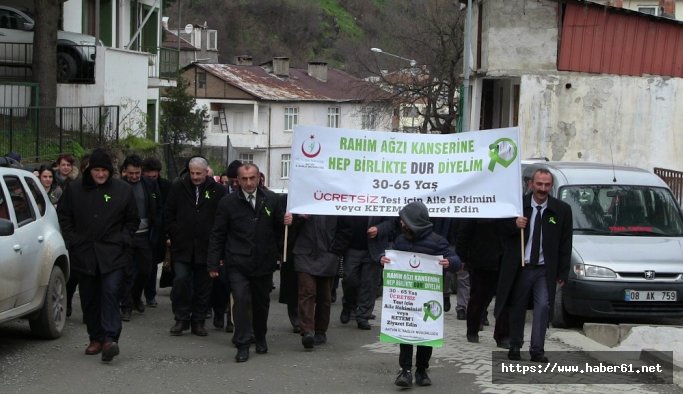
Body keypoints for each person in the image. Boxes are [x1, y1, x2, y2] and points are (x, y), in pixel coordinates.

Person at [57, 148, 139, 363]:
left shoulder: (122, 190)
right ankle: (95, 338)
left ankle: (110, 339)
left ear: (110, 171)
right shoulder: (74, 190)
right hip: (84, 253)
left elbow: (132, 220)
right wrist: (72, 240)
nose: (100, 174)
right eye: (96, 170)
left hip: (113, 253)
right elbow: (64, 216)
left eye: (104, 170)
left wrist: (124, 239)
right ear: (89, 170)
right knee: (89, 297)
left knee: (111, 293)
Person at [206, 163, 292, 363]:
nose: (248, 182)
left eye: (252, 178)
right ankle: (242, 342)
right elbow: (218, 234)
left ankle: (260, 336)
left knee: (261, 303)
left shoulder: (271, 199)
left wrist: (286, 221)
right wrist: (212, 263)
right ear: (237, 180)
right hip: (237, 261)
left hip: (263, 262)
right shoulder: (228, 203)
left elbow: (280, 228)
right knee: (241, 300)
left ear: (259, 178)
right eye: (244, 179)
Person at [495, 168, 573, 363]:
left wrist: (563, 272)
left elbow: (566, 243)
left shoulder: (561, 210)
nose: (542, 189)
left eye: (547, 185)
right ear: (531, 184)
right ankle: (514, 345)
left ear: (551, 186)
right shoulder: (518, 206)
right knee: (517, 306)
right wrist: (514, 225)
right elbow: (498, 230)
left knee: (543, 306)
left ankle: (537, 349)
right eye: (539, 184)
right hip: (521, 266)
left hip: (544, 269)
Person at [380, 201, 460, 387]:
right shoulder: (400, 241)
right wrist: (382, 260)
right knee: (404, 333)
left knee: (426, 334)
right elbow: (391, 259)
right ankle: (405, 370)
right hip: (406, 299)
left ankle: (422, 370)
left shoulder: (438, 241)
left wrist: (450, 262)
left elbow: (455, 259)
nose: (401, 223)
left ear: (413, 221)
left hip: (428, 299)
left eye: (404, 220)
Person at [165, 156, 226, 336]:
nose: (195, 177)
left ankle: (198, 321)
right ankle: (181, 318)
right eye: (192, 173)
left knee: (203, 286)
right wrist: (173, 232)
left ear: (206, 172)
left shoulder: (219, 190)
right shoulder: (178, 187)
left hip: (206, 247)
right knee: (181, 281)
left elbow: (222, 217)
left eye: (198, 173)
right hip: (182, 246)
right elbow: (168, 212)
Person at [291, 214, 344, 349]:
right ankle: (307, 330)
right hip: (304, 252)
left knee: (324, 296)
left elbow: (345, 229)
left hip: (328, 254)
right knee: (307, 291)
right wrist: (297, 218)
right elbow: (289, 228)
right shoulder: (300, 201)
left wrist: (335, 250)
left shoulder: (336, 201)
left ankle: (320, 330)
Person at [119, 154, 162, 321]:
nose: (134, 176)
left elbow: (157, 207)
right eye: (131, 173)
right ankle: (126, 306)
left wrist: (157, 227)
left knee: (146, 270)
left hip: (145, 236)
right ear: (124, 171)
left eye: (137, 173)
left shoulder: (150, 185)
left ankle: (136, 296)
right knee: (127, 273)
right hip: (126, 236)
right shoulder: (118, 187)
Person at [336, 215, 396, 330]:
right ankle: (349, 304)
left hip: (373, 249)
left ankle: (363, 316)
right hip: (351, 247)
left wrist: (379, 229)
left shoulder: (382, 199)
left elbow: (390, 222)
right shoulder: (349, 198)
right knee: (349, 279)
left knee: (369, 284)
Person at [457, 218, 509, 348]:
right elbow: (464, 231)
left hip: (504, 259)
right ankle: (473, 329)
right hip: (481, 258)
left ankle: (502, 335)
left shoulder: (508, 205)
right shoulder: (480, 207)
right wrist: (462, 256)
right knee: (479, 297)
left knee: (504, 300)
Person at [141, 156, 172, 308]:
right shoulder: (139, 185)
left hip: (158, 231)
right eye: (148, 176)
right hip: (142, 230)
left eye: (154, 176)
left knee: (152, 265)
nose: (152, 179)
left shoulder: (166, 186)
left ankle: (150, 294)